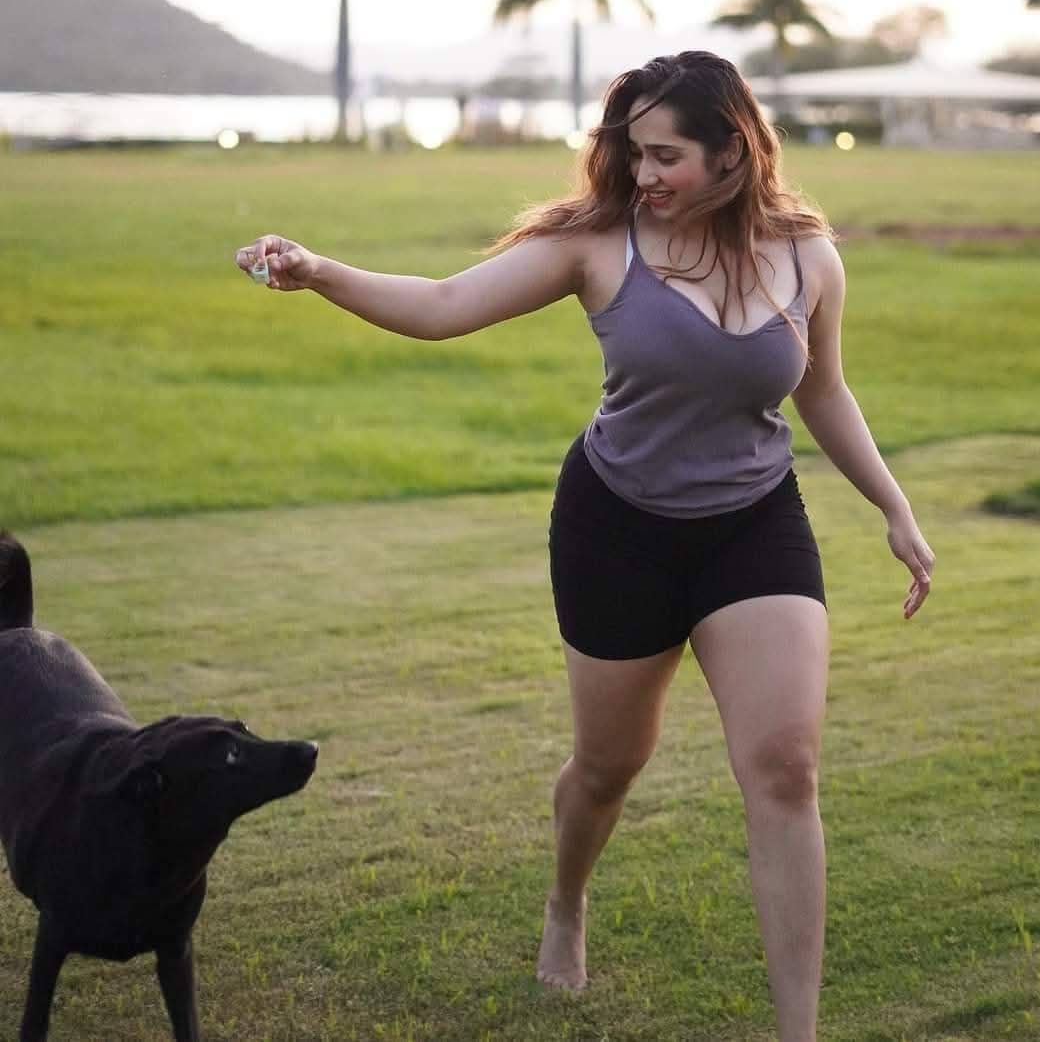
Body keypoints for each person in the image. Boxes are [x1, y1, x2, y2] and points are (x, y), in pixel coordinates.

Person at [235, 51, 934, 1042]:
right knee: (609, 768)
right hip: (618, 529)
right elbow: (442, 307)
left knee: (784, 768)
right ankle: (567, 903)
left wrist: (894, 506)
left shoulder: (807, 255)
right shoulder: (601, 245)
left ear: (733, 148)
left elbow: (822, 389)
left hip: (753, 526)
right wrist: (317, 272)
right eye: (632, 152)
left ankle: (799, 1033)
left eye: (666, 155)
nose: (643, 173)